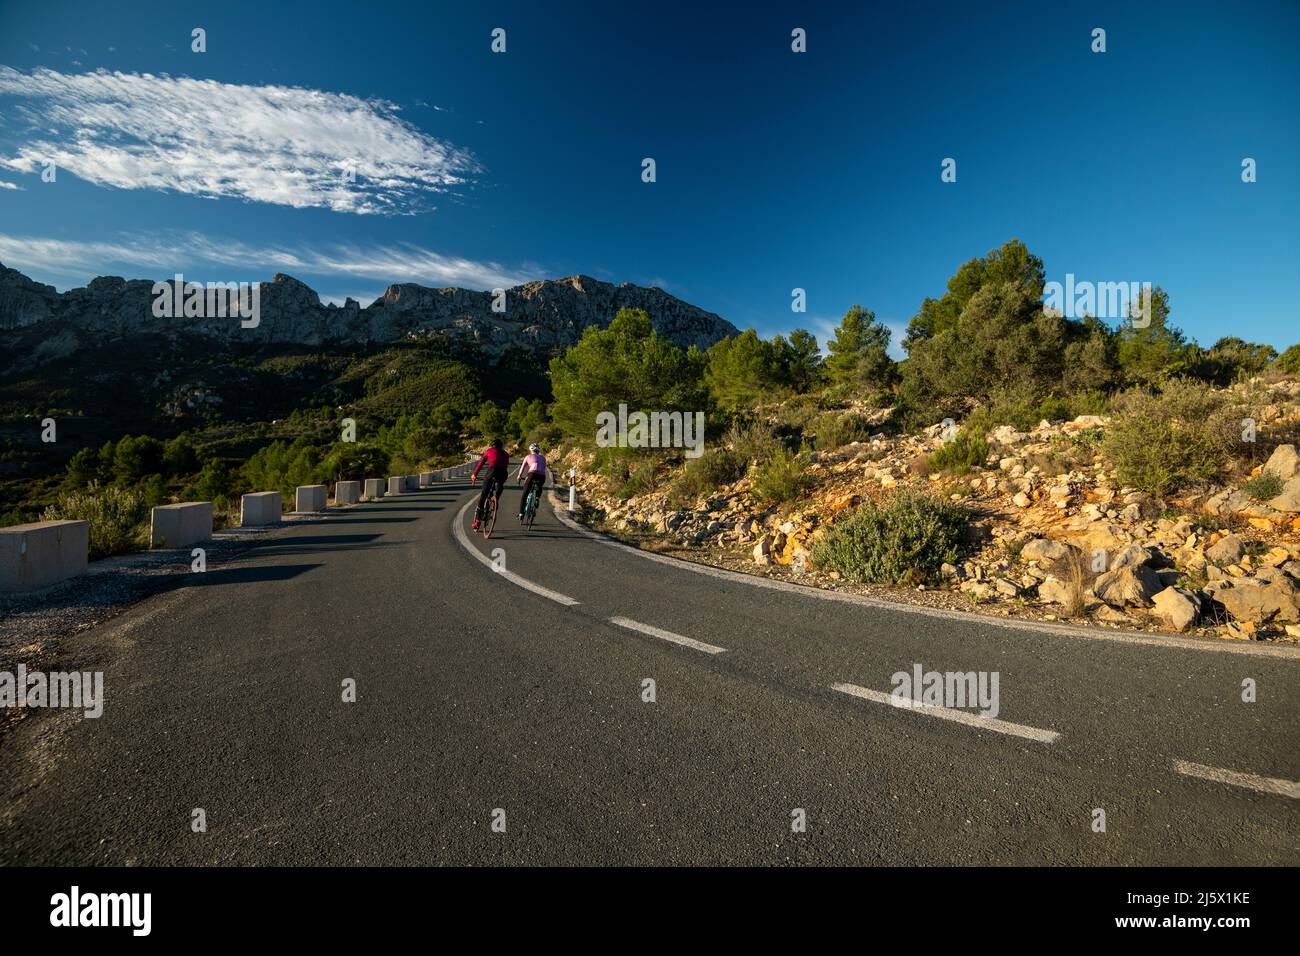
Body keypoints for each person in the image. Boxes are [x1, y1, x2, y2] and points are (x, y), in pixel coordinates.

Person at [470, 438, 510, 530]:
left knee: (484, 494)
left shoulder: (489, 451)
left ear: (492, 445)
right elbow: (505, 465)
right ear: (502, 446)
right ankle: (496, 499)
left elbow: (481, 463)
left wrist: (474, 474)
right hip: (503, 473)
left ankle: (478, 521)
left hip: (492, 471)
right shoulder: (506, 454)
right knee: (500, 484)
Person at [516, 443, 548, 521]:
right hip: (542, 476)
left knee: (524, 495)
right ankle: (537, 498)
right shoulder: (543, 458)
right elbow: (544, 468)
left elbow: (522, 468)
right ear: (538, 450)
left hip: (532, 474)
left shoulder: (528, 457)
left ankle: (521, 514)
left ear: (531, 450)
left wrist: (519, 476)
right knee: (539, 486)